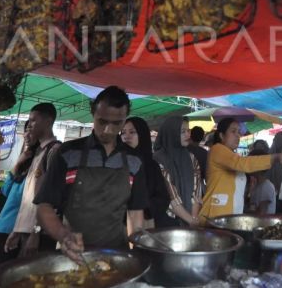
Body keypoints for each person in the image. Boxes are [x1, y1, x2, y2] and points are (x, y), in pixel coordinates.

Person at [35, 86, 148, 261]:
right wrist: (63, 235)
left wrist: (138, 250)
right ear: (92, 113)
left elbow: (135, 212)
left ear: (125, 119)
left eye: (117, 123)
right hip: (73, 253)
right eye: (102, 121)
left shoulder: (134, 160)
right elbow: (44, 206)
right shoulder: (68, 153)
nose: (108, 130)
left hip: (117, 253)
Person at [200, 118, 282, 220]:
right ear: (221, 135)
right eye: (233, 131)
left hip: (229, 215)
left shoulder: (232, 156)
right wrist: (274, 157)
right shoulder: (217, 150)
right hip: (215, 214)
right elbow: (243, 164)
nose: (238, 135)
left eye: (239, 132)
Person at [9, 103, 61, 257]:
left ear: (48, 121)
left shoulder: (55, 151)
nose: (29, 125)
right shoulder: (38, 151)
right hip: (27, 230)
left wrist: (36, 232)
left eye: (33, 120)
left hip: (38, 233)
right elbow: (29, 198)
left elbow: (52, 197)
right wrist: (17, 229)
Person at [120, 116, 170, 229]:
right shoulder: (116, 163)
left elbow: (163, 198)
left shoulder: (151, 165)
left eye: (132, 132)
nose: (126, 136)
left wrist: (144, 209)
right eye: (123, 132)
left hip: (144, 225)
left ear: (142, 135)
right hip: (116, 227)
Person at [0, 123, 38, 250]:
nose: (26, 135)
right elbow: (5, 190)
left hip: (17, 231)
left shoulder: (39, 164)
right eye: (26, 130)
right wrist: (18, 163)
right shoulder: (24, 161)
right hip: (4, 227)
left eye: (31, 130)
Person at [154, 117, 203, 226]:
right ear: (171, 133)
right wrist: (191, 220)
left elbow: (196, 191)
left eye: (188, 130)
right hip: (167, 220)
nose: (188, 135)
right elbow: (170, 195)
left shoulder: (191, 158)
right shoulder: (158, 159)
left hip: (190, 217)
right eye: (182, 132)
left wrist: (193, 218)